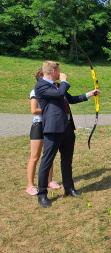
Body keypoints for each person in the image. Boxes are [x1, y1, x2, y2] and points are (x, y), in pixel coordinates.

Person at [34, 60, 99, 208]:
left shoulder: (57, 86)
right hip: (52, 130)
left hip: (67, 128)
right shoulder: (41, 86)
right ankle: (42, 194)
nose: (61, 73)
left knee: (67, 160)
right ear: (52, 72)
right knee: (47, 161)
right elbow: (59, 94)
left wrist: (90, 94)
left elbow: (71, 99)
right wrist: (64, 81)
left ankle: (69, 188)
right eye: (58, 71)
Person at [26, 68, 61, 196]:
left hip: (49, 125)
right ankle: (30, 185)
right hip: (38, 125)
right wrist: (49, 109)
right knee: (34, 157)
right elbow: (34, 110)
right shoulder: (35, 91)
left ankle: (49, 180)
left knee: (49, 154)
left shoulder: (51, 90)